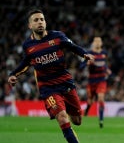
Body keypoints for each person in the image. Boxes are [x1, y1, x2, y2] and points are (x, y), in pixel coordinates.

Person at [8, 9, 94, 143]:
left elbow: (72, 46)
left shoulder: (57, 36)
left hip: (65, 83)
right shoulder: (28, 45)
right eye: (36, 20)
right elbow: (26, 62)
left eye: (42, 19)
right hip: (48, 88)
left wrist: (84, 54)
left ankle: (66, 106)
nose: (40, 22)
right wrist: (13, 74)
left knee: (77, 121)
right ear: (30, 26)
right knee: (62, 117)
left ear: (45, 22)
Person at [80, 36, 112, 128]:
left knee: (101, 99)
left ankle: (101, 120)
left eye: (99, 41)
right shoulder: (89, 53)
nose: (98, 43)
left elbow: (103, 64)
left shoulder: (104, 53)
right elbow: (81, 66)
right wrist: (87, 63)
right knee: (90, 101)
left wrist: (107, 69)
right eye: (96, 41)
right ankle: (86, 113)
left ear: (101, 43)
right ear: (93, 43)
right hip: (92, 81)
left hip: (101, 80)